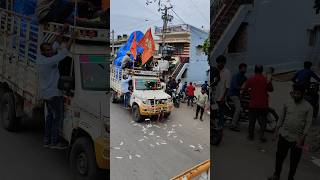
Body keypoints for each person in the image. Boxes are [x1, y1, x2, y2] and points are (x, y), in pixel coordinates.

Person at [37, 31, 75, 149]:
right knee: (57, 118)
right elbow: (63, 53)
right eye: (47, 50)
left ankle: (47, 141)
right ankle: (54, 142)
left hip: (47, 94)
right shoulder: (49, 61)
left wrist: (63, 31)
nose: (50, 51)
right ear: (43, 52)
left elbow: (54, 45)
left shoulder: (42, 58)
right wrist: (72, 38)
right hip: (53, 94)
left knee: (49, 117)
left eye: (50, 50)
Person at [268, 84, 313, 180]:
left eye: (298, 94)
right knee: (279, 157)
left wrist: (301, 139)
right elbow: (281, 118)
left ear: (303, 94)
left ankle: (290, 177)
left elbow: (308, 124)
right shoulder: (287, 102)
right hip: (284, 135)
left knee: (294, 161)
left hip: (297, 139)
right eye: (294, 93)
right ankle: (276, 175)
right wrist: (276, 132)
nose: (296, 95)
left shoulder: (308, 107)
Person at [243, 65, 273, 142]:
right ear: (262, 71)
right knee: (263, 121)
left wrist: (250, 93)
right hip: (264, 104)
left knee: (252, 121)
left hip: (253, 104)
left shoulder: (251, 79)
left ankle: (251, 136)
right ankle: (262, 136)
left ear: (255, 70)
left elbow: (245, 89)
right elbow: (271, 89)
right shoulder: (265, 79)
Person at [228, 63, 247, 132]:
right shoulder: (236, 76)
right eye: (244, 68)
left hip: (238, 94)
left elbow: (247, 84)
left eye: (245, 68)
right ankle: (232, 125)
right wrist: (242, 89)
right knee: (238, 108)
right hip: (233, 94)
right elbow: (235, 86)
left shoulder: (244, 77)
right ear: (240, 69)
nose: (245, 69)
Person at [214, 55, 231, 128]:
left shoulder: (227, 72)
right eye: (218, 62)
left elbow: (227, 87)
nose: (220, 64)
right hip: (214, 97)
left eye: (221, 62)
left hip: (221, 97)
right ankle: (214, 125)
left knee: (221, 113)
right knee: (214, 111)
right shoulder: (214, 70)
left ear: (224, 63)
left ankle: (220, 126)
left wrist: (223, 98)